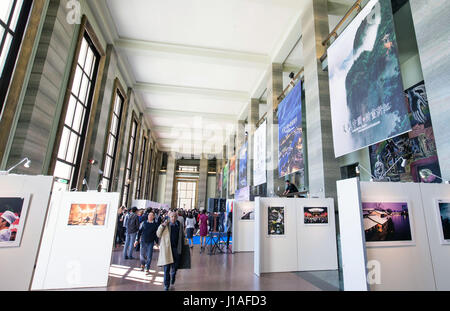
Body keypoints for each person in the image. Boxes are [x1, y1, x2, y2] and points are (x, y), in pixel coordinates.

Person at [157, 211, 185, 291]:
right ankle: (166, 285)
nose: (173, 218)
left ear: (177, 218)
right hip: (167, 249)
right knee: (166, 268)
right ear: (169, 217)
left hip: (176, 249)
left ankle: (173, 275)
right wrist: (162, 226)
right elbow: (158, 234)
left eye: (175, 217)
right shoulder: (165, 225)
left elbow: (182, 236)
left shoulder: (179, 225)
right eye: (172, 216)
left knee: (175, 267)